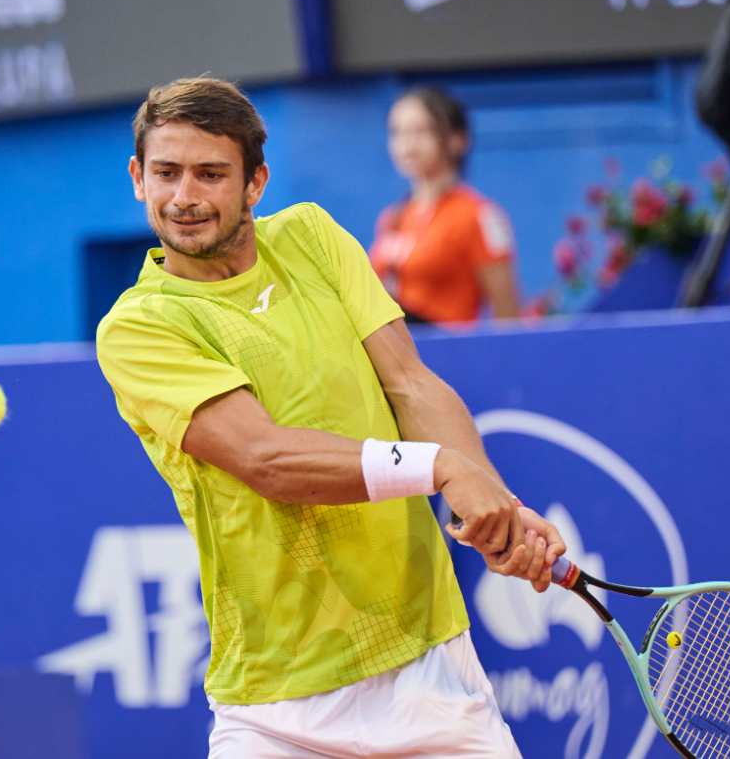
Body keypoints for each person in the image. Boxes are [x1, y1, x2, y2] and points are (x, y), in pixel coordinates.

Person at [97, 77, 565, 757]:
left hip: (429, 667)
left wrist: (496, 504)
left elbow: (410, 383)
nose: (185, 197)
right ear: (138, 178)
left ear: (255, 183)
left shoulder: (311, 236)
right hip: (276, 708)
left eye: (211, 174)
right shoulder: (140, 327)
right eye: (166, 173)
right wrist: (442, 467)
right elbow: (267, 460)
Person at [370, 87, 521, 324]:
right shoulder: (392, 217)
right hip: (397, 343)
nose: (407, 143)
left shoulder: (479, 215)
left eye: (421, 130)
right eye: (397, 132)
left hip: (446, 342)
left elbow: (507, 314)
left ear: (457, 140)